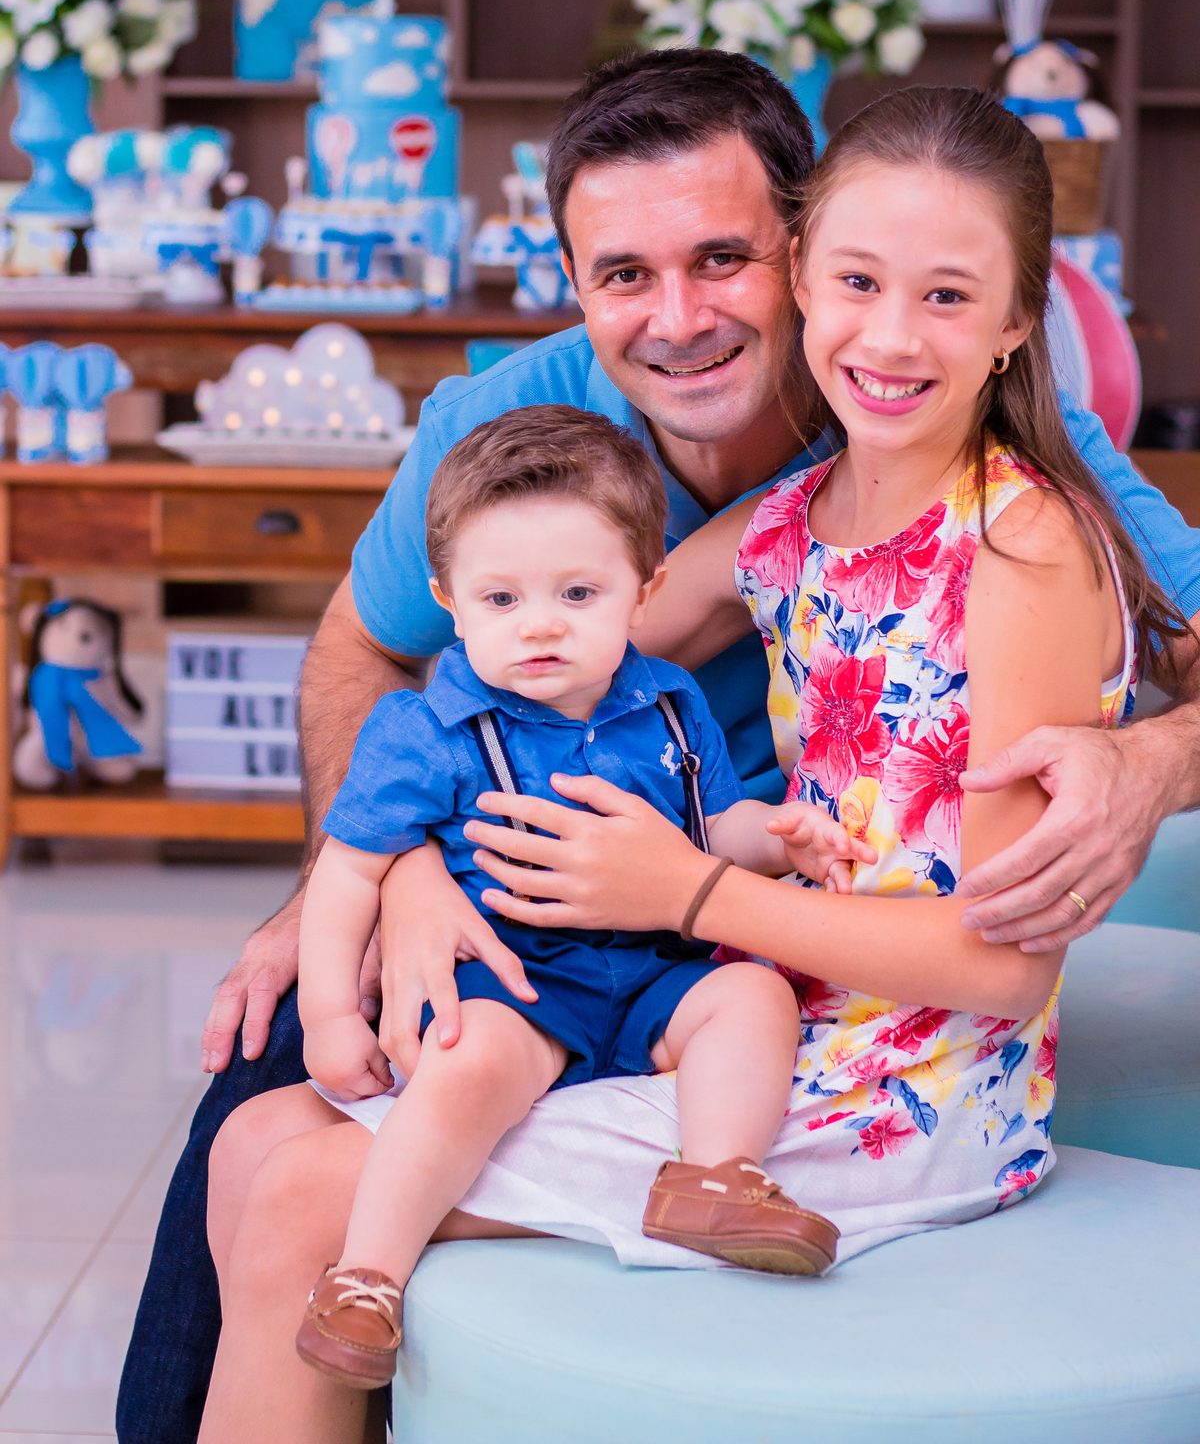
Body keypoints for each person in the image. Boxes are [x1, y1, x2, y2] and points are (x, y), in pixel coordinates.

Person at [117, 52, 1200, 1444]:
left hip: (841, 1027)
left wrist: (1154, 761)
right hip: (681, 957)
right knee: (259, 1118)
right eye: (625, 272)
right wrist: (390, 865)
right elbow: (448, 650)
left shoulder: (1020, 523)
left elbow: (994, 957)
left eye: (723, 259)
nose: (680, 316)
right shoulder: (751, 510)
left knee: (300, 1194)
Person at [248, 407, 864, 1395]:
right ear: (450, 603)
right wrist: (326, 1012)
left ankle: (713, 1175)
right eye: (501, 598)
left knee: (754, 1001)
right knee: (463, 1063)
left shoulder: (669, 703)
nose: (539, 623)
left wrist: (779, 834)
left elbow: (707, 835)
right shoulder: (427, 730)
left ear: (644, 589)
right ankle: (368, 1277)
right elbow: (351, 871)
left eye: (578, 592)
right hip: (521, 985)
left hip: (659, 973)